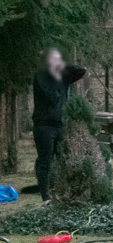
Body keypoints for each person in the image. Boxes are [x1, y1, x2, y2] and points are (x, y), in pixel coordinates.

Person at [32, 48, 87, 206]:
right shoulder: (41, 77)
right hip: (44, 126)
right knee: (45, 161)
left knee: (63, 159)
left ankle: (63, 193)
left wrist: (64, 66)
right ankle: (45, 197)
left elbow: (81, 71)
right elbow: (52, 97)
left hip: (60, 125)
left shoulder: (62, 76)